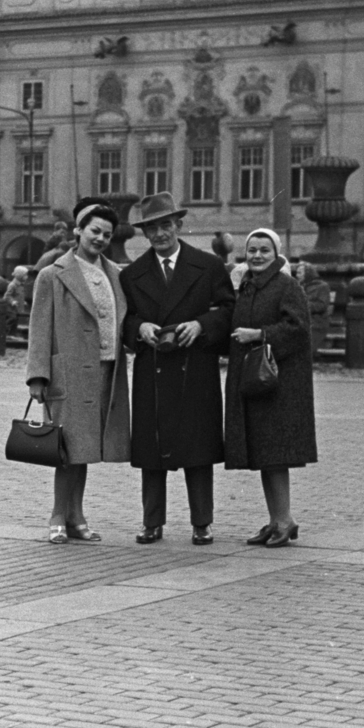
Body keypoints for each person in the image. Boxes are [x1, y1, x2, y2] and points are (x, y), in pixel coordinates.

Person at [121, 192, 235, 546]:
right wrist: (138, 329)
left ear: (179, 225)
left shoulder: (208, 266)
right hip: (152, 368)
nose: (159, 234)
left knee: (197, 448)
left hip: (195, 367)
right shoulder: (133, 274)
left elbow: (228, 309)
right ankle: (151, 521)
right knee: (151, 450)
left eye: (165, 225)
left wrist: (202, 325)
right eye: (152, 228)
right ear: (144, 233)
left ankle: (202, 522)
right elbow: (124, 318)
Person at [25, 203, 131, 544]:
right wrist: (38, 376)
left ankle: (77, 514)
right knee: (66, 448)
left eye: (107, 234)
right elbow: (39, 327)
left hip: (105, 370)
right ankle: (58, 514)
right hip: (67, 372)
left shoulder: (115, 273)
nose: (100, 238)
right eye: (94, 231)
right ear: (78, 230)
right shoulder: (53, 274)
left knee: (85, 448)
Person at [226, 229, 316, 547]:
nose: (257, 256)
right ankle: (277, 519)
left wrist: (259, 335)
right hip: (258, 383)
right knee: (266, 455)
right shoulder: (249, 285)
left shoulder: (286, 285)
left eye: (265, 250)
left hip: (279, 385)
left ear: (276, 253)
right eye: (252, 250)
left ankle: (285, 520)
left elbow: (299, 328)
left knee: (274, 455)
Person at [296, 261, 332, 358]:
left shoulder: (322, 286)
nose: (296, 275)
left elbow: (322, 305)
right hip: (300, 318)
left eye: (299, 272)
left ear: (308, 273)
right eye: (297, 272)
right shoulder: (297, 286)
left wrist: (303, 305)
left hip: (317, 320)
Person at [4, 266, 30, 336]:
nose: (26, 277)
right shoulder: (12, 285)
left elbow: (19, 295)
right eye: (25, 275)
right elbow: (7, 295)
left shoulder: (21, 285)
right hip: (11, 308)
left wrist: (22, 301)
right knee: (12, 319)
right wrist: (12, 301)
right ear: (20, 275)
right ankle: (5, 332)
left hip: (16, 308)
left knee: (15, 320)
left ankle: (12, 334)